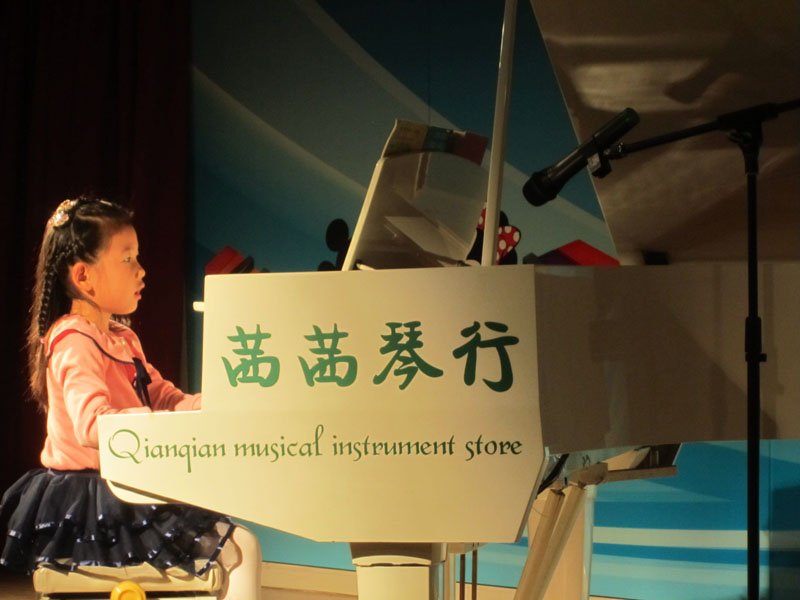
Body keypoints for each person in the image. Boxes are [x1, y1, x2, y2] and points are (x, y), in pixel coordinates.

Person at [0, 196, 262, 599]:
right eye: (127, 259)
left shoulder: (123, 338)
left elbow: (164, 398)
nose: (141, 270)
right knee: (239, 548)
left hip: (129, 483)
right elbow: (92, 425)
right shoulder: (73, 339)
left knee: (240, 546)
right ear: (84, 276)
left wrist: (218, 404)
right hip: (96, 500)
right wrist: (157, 428)